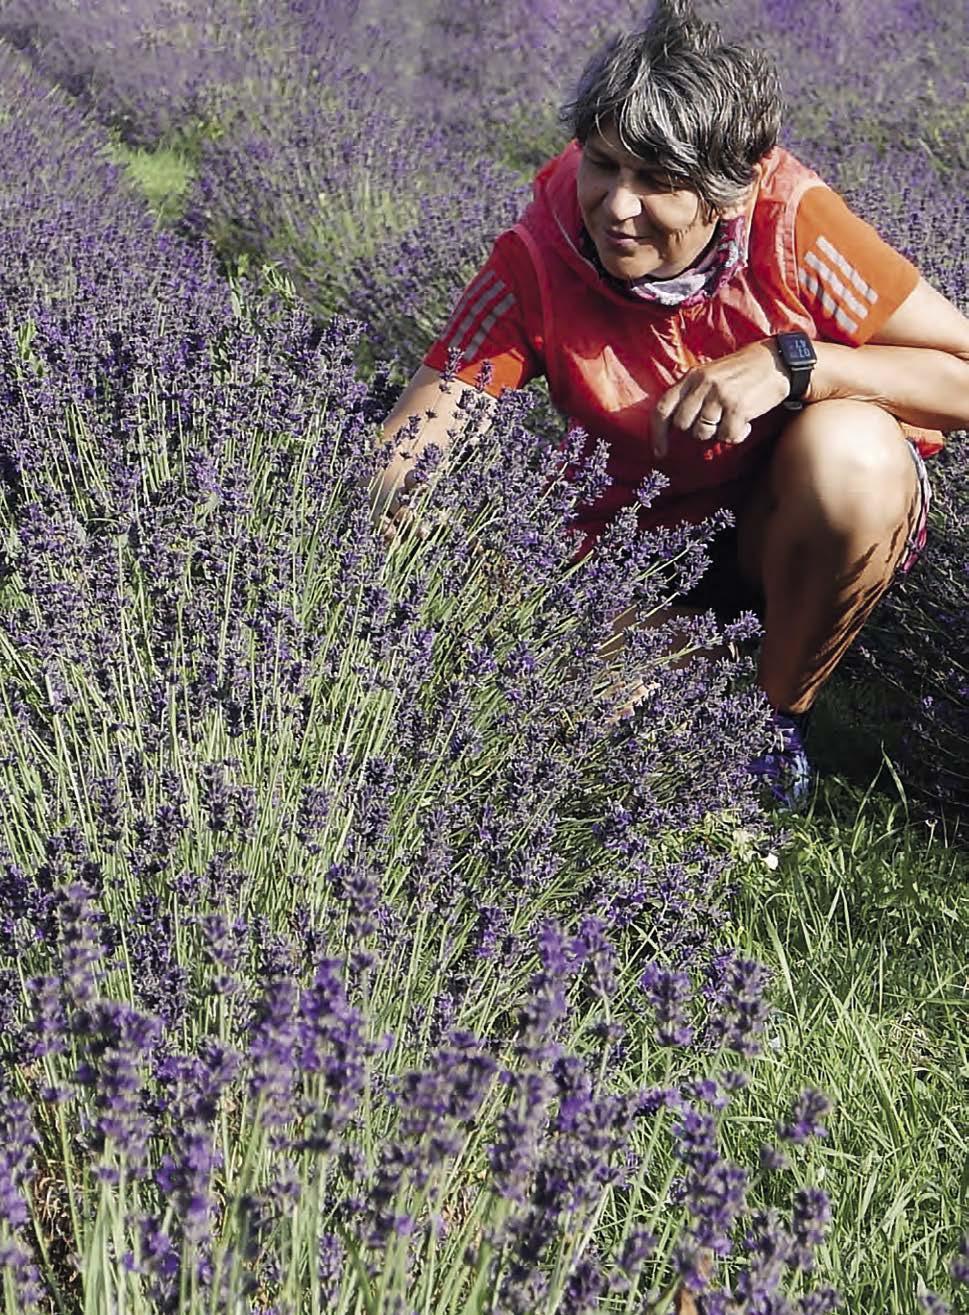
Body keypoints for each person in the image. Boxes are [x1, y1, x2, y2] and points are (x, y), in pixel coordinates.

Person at [374, 0, 969, 807]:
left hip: (788, 523)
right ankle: (678, 652)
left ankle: (771, 721)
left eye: (657, 181)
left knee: (851, 450)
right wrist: (412, 505)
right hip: (638, 553)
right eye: (602, 164)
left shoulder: (791, 225)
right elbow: (414, 441)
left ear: (730, 191)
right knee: (580, 720)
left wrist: (796, 364)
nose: (616, 206)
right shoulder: (540, 255)